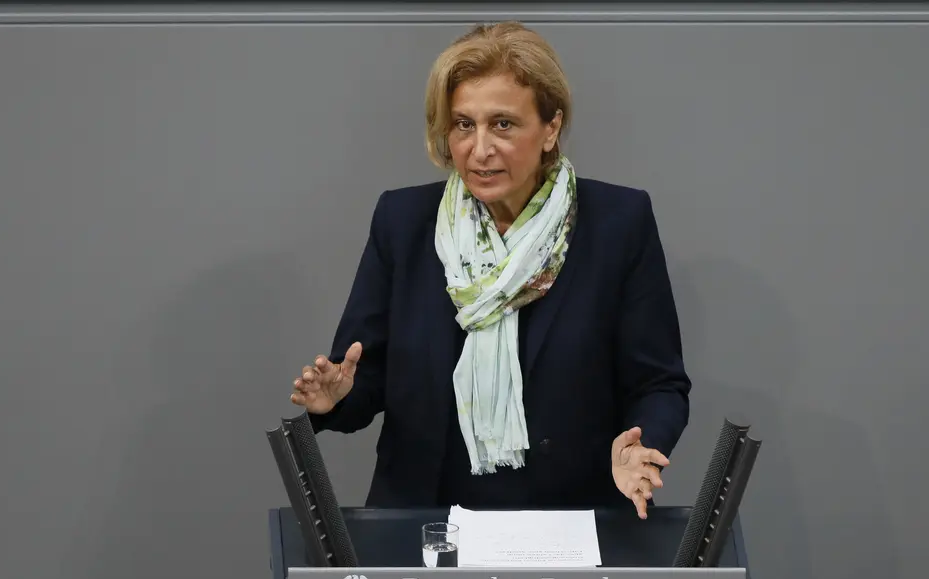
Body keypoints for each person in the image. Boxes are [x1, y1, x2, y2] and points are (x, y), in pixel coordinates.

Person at [290, 21, 691, 518]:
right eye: (463, 124)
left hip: (567, 521)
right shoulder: (404, 222)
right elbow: (365, 375)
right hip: (425, 521)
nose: (479, 149)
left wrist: (638, 446)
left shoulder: (617, 223)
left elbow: (659, 384)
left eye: (503, 124)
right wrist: (339, 396)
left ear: (550, 128)